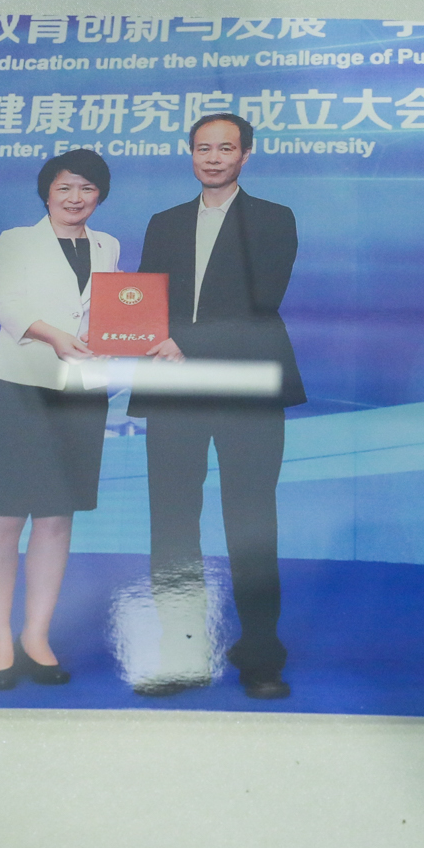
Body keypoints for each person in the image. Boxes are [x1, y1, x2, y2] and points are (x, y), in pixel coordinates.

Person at [131, 113, 304, 699]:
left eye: (225, 148)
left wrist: (184, 343)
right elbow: (145, 301)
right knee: (172, 521)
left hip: (246, 387)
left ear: (246, 154)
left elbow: (262, 299)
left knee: (250, 520)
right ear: (190, 153)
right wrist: (132, 334)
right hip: (173, 387)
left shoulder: (274, 218)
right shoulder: (164, 223)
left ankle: (261, 655)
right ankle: (181, 652)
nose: (212, 158)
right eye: (203, 148)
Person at [0, 149, 121, 690]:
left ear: (100, 195)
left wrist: (122, 340)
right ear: (46, 193)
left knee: (56, 517)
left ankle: (36, 636)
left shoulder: (108, 246)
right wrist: (55, 335)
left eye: (87, 188)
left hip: (80, 389)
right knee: (4, 515)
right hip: (17, 386)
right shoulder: (16, 240)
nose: (76, 198)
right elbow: (5, 304)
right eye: (65, 188)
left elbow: (112, 312)